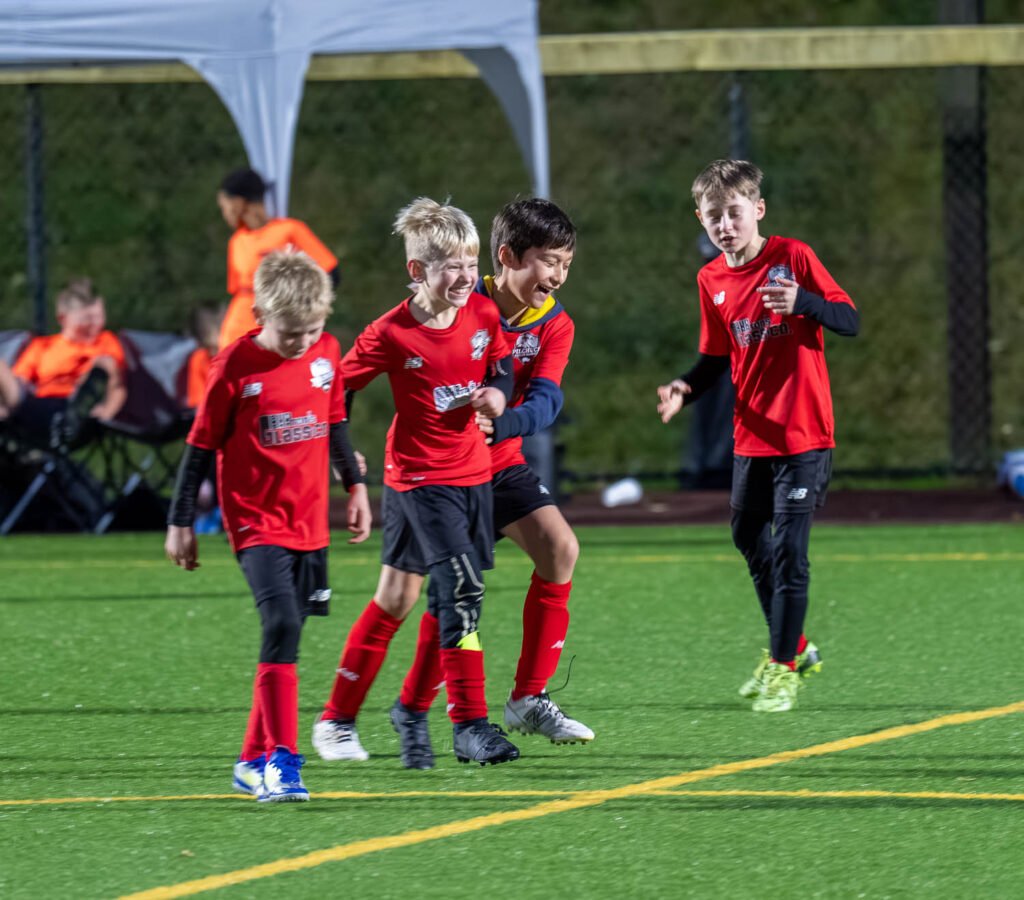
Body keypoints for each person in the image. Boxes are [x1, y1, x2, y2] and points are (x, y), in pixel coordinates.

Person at [312, 197, 520, 767]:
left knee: (400, 597)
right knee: (463, 590)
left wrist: (498, 395)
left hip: (472, 475)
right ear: (417, 270)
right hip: (419, 479)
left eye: (471, 264)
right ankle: (470, 725)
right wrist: (341, 455)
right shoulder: (391, 333)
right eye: (452, 266)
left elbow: (502, 366)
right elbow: (337, 388)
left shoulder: (482, 315)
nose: (466, 277)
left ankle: (350, 717)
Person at [389, 198, 592, 770]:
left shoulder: (554, 323)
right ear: (507, 256)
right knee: (444, 595)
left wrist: (506, 422)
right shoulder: (458, 299)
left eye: (566, 265)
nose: (558, 277)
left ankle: (528, 698)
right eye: (549, 262)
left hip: (500, 462)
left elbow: (547, 398)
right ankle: (410, 706)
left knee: (560, 548)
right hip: (443, 469)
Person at [164, 250, 371, 803]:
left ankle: (249, 761)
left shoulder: (327, 352)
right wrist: (180, 520)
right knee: (279, 623)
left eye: (312, 330)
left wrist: (355, 486)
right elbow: (199, 446)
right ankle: (284, 761)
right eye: (290, 333)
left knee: (289, 633)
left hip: (310, 520)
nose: (302, 342)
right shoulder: (233, 365)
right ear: (260, 315)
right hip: (255, 523)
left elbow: (335, 422)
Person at [657, 159, 859, 713]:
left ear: (758, 210)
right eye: (714, 216)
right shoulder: (711, 280)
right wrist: (683, 389)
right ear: (700, 219)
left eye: (735, 212)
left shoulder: (793, 258)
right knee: (748, 536)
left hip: (803, 435)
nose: (725, 225)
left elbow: (849, 319)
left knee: (790, 551)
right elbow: (714, 359)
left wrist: (804, 303)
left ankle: (783, 668)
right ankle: (795, 646)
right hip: (752, 437)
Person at [216, 168, 339, 350]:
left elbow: (331, 274)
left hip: (281, 331)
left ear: (239, 202)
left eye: (224, 206)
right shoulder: (237, 240)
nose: (224, 214)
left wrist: (299, 310)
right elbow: (237, 291)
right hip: (237, 334)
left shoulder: (289, 230)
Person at [8, 278, 127, 443]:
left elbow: (118, 385)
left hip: (74, 407)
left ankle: (75, 412)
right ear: (63, 319)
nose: (95, 324)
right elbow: (19, 380)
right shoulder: (42, 346)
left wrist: (107, 410)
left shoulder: (105, 342)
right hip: (34, 406)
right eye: (87, 318)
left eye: (99, 316)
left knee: (104, 364)